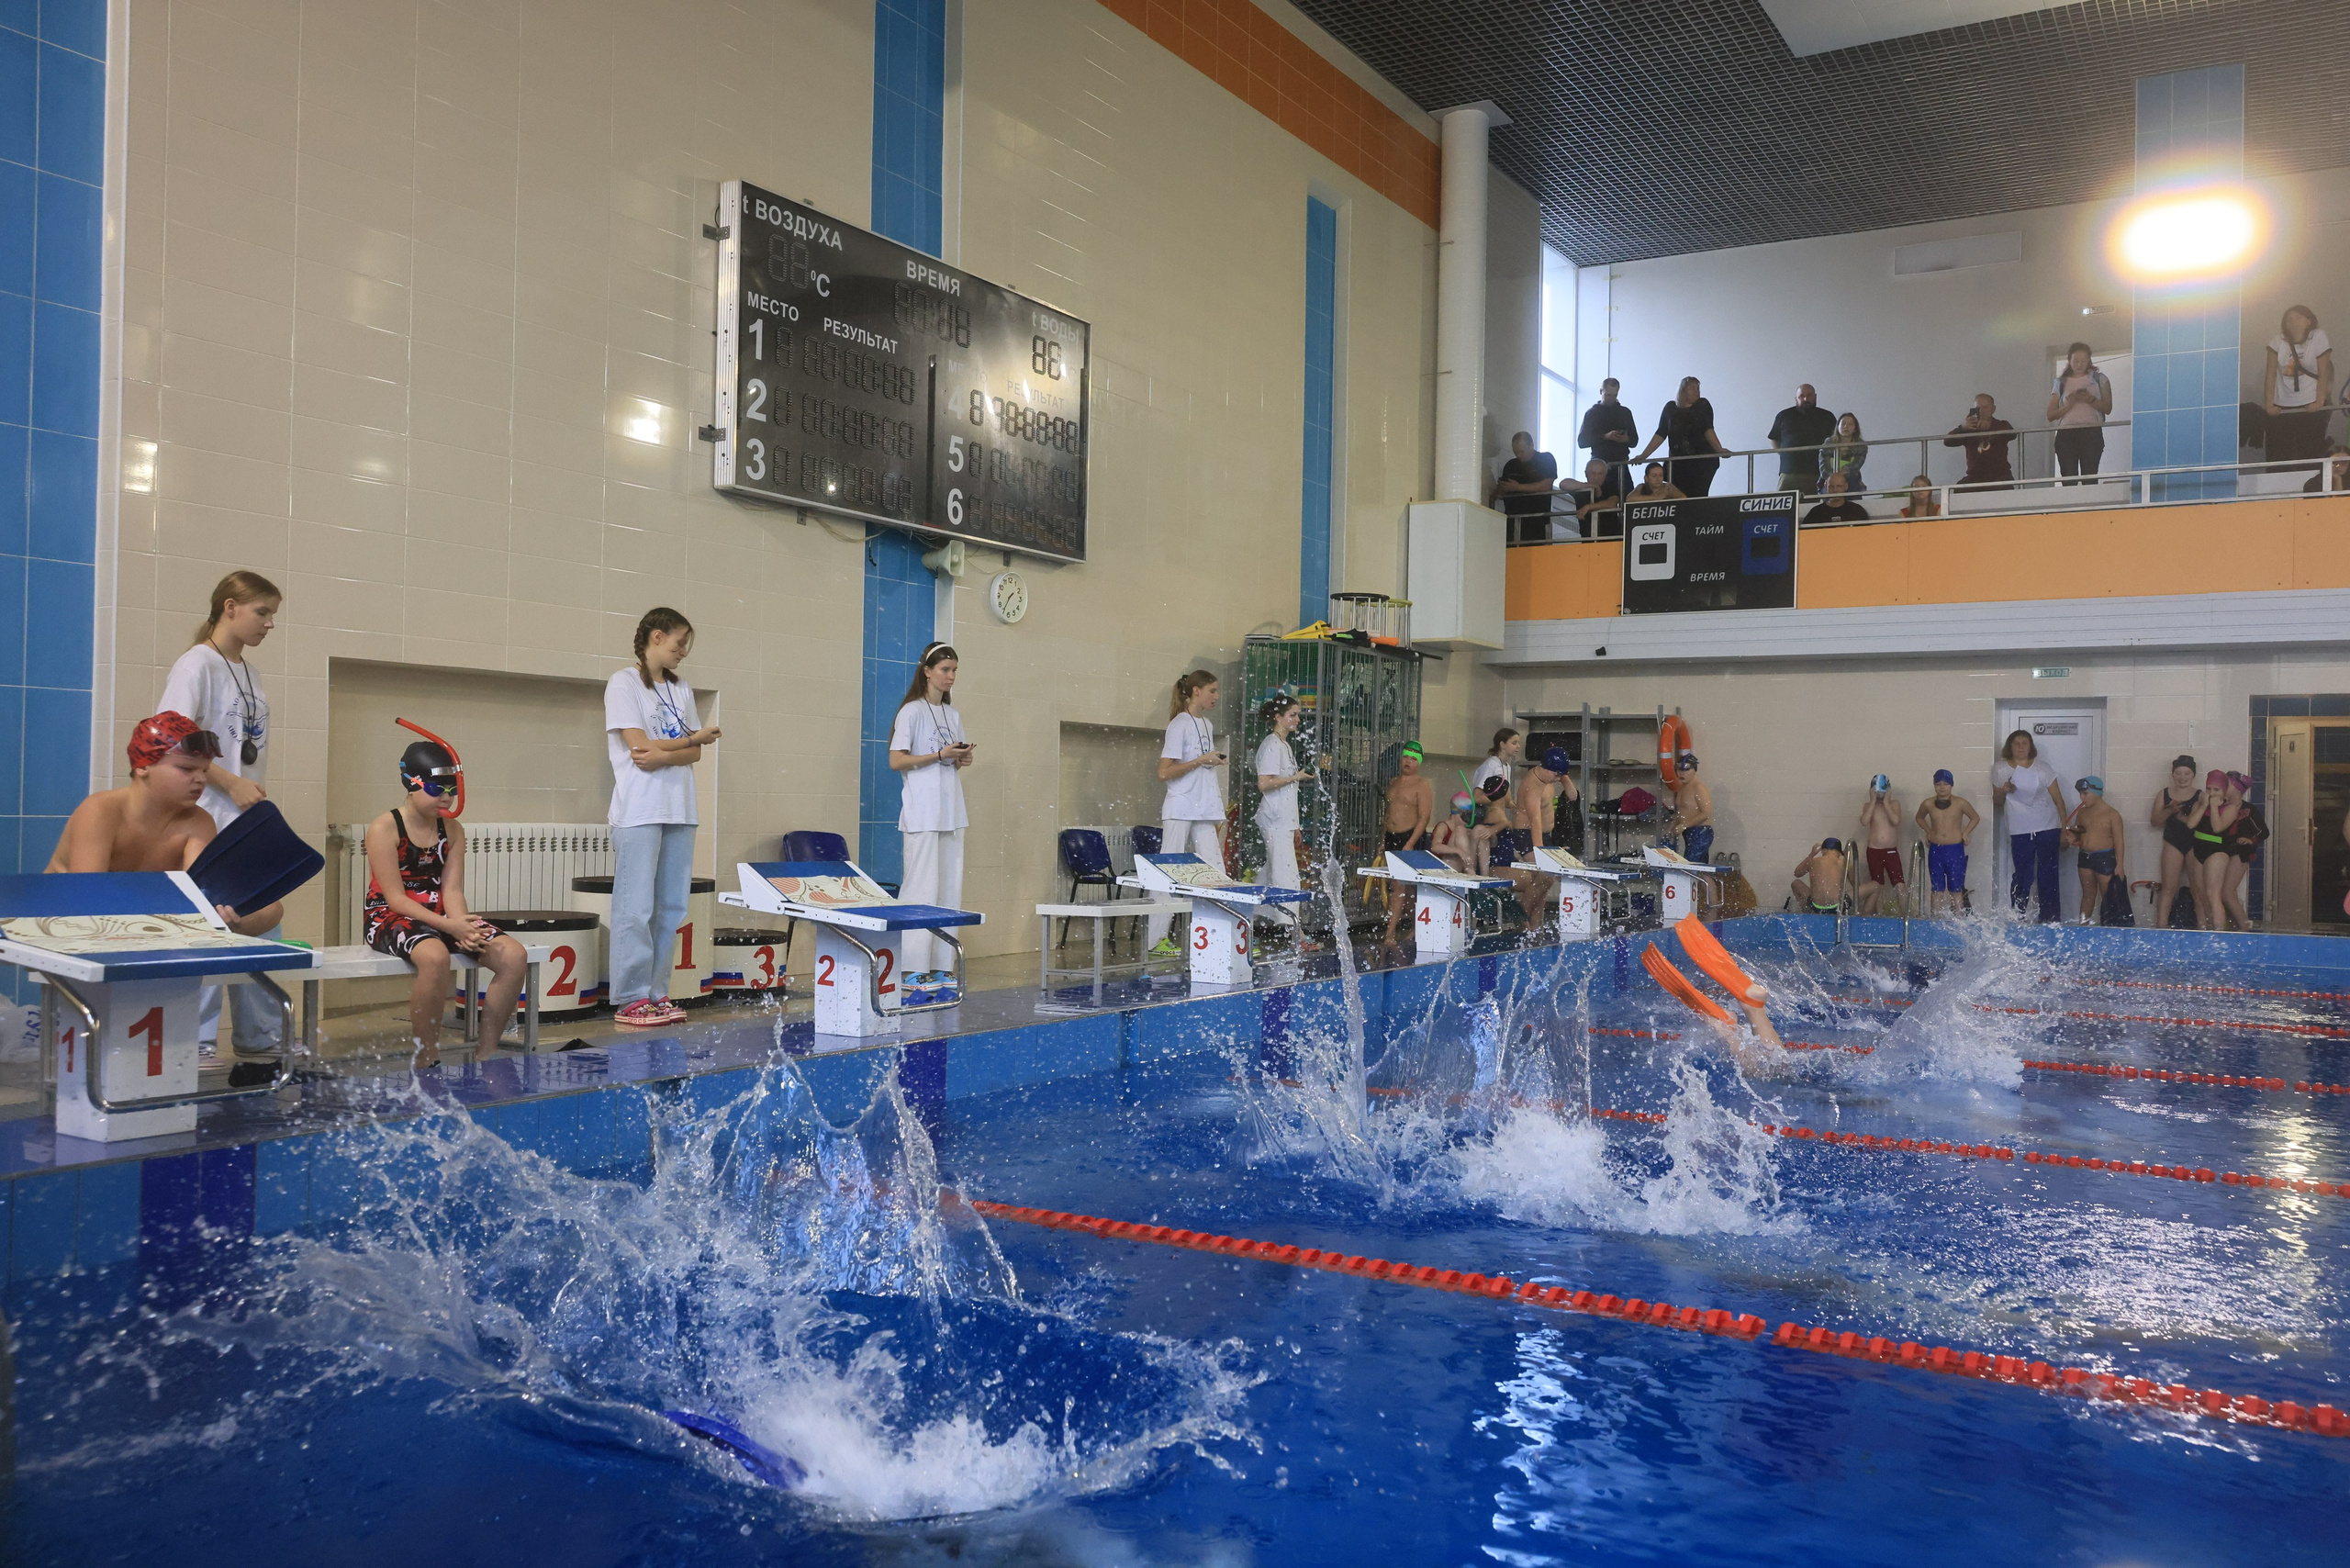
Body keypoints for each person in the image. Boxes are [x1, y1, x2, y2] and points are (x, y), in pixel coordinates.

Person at [161, 570, 285, 1069]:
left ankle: (259, 1047)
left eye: (273, 614)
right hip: (206, 821)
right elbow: (171, 740)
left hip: (243, 822)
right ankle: (196, 1049)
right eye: (263, 612)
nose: (270, 624)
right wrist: (230, 783)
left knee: (262, 926)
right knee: (212, 930)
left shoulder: (248, 673)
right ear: (230, 607)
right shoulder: (196, 665)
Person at [362, 739, 529, 1067]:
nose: (448, 797)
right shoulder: (385, 828)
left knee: (514, 956)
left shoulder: (453, 829)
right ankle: (427, 1057)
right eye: (439, 788)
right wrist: (450, 926)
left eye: (452, 789)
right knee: (435, 957)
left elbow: (451, 890)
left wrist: (463, 926)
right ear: (412, 784)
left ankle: (486, 1052)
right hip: (388, 916)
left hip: (440, 916)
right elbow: (395, 898)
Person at [49, 713, 285, 933]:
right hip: (66, 922)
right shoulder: (101, 811)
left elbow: (198, 895)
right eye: (186, 768)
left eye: (204, 770)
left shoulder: (198, 822)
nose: (201, 779)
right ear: (142, 766)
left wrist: (220, 916)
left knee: (271, 909)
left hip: (143, 924)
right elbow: (86, 898)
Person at [604, 607, 719, 1029]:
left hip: (680, 807)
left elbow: (693, 754)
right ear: (656, 637)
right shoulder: (623, 683)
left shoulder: (682, 688)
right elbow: (638, 748)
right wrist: (690, 739)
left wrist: (677, 747)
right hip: (639, 810)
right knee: (635, 906)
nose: (683, 651)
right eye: (678, 642)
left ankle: (657, 993)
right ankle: (631, 996)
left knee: (670, 907)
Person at [888, 642, 974, 987]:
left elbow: (951, 761)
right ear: (927, 671)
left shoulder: (953, 716)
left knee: (948, 890)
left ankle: (941, 964)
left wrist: (961, 758)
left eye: (954, 670)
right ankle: (910, 967)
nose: (951, 676)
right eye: (944, 670)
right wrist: (939, 754)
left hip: (951, 812)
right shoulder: (911, 711)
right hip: (922, 812)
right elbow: (897, 761)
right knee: (920, 890)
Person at [1147, 669, 1229, 954]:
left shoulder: (1205, 724)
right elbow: (1164, 773)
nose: (1217, 697)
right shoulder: (1179, 725)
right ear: (1196, 691)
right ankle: (1156, 941)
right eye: (1212, 691)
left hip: (1203, 809)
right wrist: (1200, 760)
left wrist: (1210, 761)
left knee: (1216, 873)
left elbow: (1198, 764)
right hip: (1181, 808)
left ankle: (1224, 935)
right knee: (1167, 873)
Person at [1991, 729, 2065, 922]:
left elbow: (2058, 800)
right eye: (2017, 743)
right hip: (2020, 829)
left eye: (2025, 743)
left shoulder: (2043, 768)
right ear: (2010, 747)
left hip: (2048, 826)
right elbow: (1997, 802)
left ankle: (2050, 918)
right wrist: (2004, 790)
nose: (2021, 747)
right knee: (2023, 874)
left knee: (2048, 873)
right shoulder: (2000, 769)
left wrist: (2064, 829)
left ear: (2031, 746)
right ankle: (2018, 915)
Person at [1252, 696, 1312, 928]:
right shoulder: (1271, 745)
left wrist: (1295, 824)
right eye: (1292, 715)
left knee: (1270, 873)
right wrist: (1295, 776)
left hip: (1284, 821)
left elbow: (1289, 791)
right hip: (1274, 820)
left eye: (1297, 714)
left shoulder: (1284, 745)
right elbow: (1264, 784)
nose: (1297, 719)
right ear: (1278, 717)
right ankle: (1293, 929)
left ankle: (1248, 917)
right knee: (1287, 874)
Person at [1378, 742, 1436, 942]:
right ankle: (1415, 927)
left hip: (1409, 837)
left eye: (1413, 758)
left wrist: (1411, 842)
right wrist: (1383, 839)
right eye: (1405, 757)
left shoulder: (1422, 785)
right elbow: (1388, 814)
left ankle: (1390, 934)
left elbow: (1424, 817)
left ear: (1418, 763)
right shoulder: (1393, 782)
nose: (1408, 762)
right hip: (1392, 838)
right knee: (1403, 888)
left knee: (1399, 886)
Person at [1508, 748, 1574, 922]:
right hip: (1526, 834)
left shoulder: (1549, 777)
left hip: (1544, 835)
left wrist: (1564, 777)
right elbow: (1535, 821)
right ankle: (1520, 918)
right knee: (1546, 875)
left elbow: (1573, 796)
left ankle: (1536, 926)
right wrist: (1541, 852)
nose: (1558, 779)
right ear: (1546, 768)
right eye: (1556, 775)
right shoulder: (1532, 786)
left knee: (1543, 883)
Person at [1633, 376, 1727, 497]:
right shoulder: (1670, 408)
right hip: (1678, 462)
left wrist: (1719, 449)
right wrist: (1643, 455)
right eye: (1692, 388)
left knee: (1697, 494)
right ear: (1682, 390)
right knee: (1677, 495)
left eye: (1698, 388)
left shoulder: (1702, 405)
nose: (1697, 391)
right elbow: (1661, 433)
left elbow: (1707, 428)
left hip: (1701, 461)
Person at [2265, 305, 2333, 465]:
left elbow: (2324, 372)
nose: (2293, 321)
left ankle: (2311, 486)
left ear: (2309, 321)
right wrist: (2269, 405)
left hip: (2309, 401)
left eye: (2298, 317)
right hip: (2282, 404)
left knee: (2310, 452)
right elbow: (2271, 374)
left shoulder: (2318, 336)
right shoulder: (2277, 341)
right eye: (2289, 318)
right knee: (2279, 454)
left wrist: (2319, 401)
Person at [1913, 768, 1979, 917]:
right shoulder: (1928, 803)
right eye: (1938, 784)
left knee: (1956, 889)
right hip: (1936, 850)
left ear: (1951, 785)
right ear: (1934, 786)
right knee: (1937, 888)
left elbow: (1975, 817)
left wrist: (1965, 833)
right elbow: (1919, 818)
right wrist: (1928, 831)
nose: (1942, 787)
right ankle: (1935, 919)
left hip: (1955, 850)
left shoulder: (1960, 803)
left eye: (1945, 784)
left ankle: (1959, 920)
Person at [2046, 342, 2113, 483]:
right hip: (2066, 433)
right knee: (2069, 478)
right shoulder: (2060, 382)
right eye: (2076, 360)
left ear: (2089, 360)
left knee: (2089, 476)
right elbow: (2051, 415)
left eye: (2083, 361)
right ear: (2069, 360)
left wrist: (2090, 399)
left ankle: (2090, 505)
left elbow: (2107, 408)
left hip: (2091, 432)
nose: (2079, 364)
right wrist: (2069, 404)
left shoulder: (2100, 379)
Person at [2063, 777, 2125, 926]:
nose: (2082, 798)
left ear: (2097, 793)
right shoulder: (2082, 813)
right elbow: (2079, 833)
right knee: (2088, 895)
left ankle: (2109, 928)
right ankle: (2083, 927)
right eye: (2080, 794)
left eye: (2085, 794)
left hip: (2104, 857)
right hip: (2085, 857)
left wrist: (2120, 865)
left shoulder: (2112, 814)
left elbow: (2119, 842)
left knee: (2107, 896)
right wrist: (2073, 838)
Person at [2149, 754, 2201, 929]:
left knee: (2198, 890)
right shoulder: (2164, 794)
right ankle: (2161, 927)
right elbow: (2155, 821)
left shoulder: (2201, 796)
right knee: (2168, 888)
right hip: (2173, 842)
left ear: (2193, 775)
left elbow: (2199, 824)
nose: (2182, 777)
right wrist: (2170, 810)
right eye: (2179, 773)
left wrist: (2179, 815)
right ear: (2173, 774)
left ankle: (2203, 928)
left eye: (2187, 773)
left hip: (2195, 844)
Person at [2178, 769, 2232, 930]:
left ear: (2224, 791)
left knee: (2212, 894)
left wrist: (2214, 808)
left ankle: (2219, 934)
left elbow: (2217, 828)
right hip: (2198, 848)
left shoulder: (2230, 808)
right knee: (2199, 894)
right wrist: (2203, 806)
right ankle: (2203, 930)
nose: (2211, 793)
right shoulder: (2199, 804)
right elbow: (2190, 824)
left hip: (2217, 851)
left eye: (2216, 790)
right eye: (2209, 789)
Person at [1491, 430, 1561, 545]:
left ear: (1532, 445)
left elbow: (1546, 486)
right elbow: (1500, 490)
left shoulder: (1545, 459)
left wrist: (1517, 487)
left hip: (1536, 522)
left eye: (1522, 451)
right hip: (1511, 522)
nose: (1519, 455)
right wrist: (1502, 489)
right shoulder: (1511, 465)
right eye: (1515, 452)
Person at [2216, 772, 2267, 931]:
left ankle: (2244, 927)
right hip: (2223, 851)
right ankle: (2232, 926)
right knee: (2220, 893)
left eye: (2228, 784)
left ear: (2238, 789)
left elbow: (2263, 831)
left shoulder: (2248, 809)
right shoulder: (2220, 806)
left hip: (2240, 853)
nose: (2224, 787)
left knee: (2227, 892)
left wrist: (2250, 840)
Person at [1766, 384, 1837, 498]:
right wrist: (1784, 454)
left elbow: (1836, 441)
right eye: (1801, 396)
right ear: (1796, 399)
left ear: (1815, 397)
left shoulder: (1827, 416)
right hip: (1789, 472)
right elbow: (1774, 438)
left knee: (1815, 509)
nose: (1806, 399)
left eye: (1809, 396)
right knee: (1783, 507)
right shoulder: (1784, 416)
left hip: (1818, 473)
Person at [1577, 377, 1639, 497]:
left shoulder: (1625, 413)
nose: (1611, 398)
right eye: (1608, 395)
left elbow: (1634, 441)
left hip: (1621, 464)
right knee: (1600, 499)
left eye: (1614, 395)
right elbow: (1582, 442)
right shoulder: (1592, 413)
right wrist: (1605, 437)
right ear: (1601, 392)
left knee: (1628, 499)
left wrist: (1625, 439)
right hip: (1599, 465)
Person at [1944, 395, 2017, 490]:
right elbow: (1948, 442)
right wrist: (1963, 428)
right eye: (1978, 408)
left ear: (1993, 409)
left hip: (1999, 476)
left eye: (1985, 407)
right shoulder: (1968, 429)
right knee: (1959, 490)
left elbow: (2012, 434)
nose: (1981, 411)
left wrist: (1991, 427)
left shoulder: (2001, 425)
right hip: (1975, 478)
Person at [1856, 775, 1903, 915]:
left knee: (1900, 884)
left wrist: (1887, 803)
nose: (1880, 794)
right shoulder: (1868, 806)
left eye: (1883, 791)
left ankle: (1906, 915)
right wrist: (1872, 802)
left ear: (1888, 791)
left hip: (1891, 851)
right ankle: (1879, 915)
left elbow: (1895, 821)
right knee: (1877, 885)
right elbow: (1864, 821)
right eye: (1876, 791)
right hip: (1874, 851)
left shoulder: (1894, 804)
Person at [1663, 750, 1711, 862]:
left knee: (1689, 866)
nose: (1681, 773)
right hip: (1688, 831)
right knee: (1701, 869)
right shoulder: (1680, 789)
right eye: (1679, 769)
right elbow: (1680, 812)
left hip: (1701, 831)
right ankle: (1706, 879)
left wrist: (1684, 825)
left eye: (1686, 769)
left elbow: (1706, 813)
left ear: (1694, 770)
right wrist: (1672, 827)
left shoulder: (1698, 788)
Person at [1571, 457, 1627, 539]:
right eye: (1593, 473)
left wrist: (1588, 507)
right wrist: (1589, 486)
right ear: (1586, 473)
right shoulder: (1580, 488)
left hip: (1612, 537)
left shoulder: (1610, 487)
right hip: (1587, 537)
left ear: (1605, 475)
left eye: (1600, 474)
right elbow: (1563, 484)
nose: (1596, 477)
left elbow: (1612, 503)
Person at [1471, 773, 1513, 875]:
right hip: (1498, 866)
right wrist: (1505, 824)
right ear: (1505, 793)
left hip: (1502, 864)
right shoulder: (1495, 814)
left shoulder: (1495, 811)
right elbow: (1488, 838)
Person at [1791, 838, 1846, 914]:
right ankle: (1864, 915)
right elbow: (1856, 884)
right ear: (1839, 853)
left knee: (1795, 883)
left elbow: (1797, 873)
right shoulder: (1844, 863)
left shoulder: (1813, 861)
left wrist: (1811, 855)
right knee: (1867, 887)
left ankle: (1806, 913)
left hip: (1816, 907)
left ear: (1823, 850)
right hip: (1837, 907)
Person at [1819, 411, 1868, 495]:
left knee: (1852, 489)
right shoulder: (1828, 443)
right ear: (1837, 427)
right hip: (1828, 479)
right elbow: (1823, 466)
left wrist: (1840, 476)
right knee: (1828, 491)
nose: (1846, 426)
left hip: (1850, 480)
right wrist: (1832, 478)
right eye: (1843, 424)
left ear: (1855, 429)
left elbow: (1855, 466)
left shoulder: (1861, 446)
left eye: (1850, 424)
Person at [1471, 727, 1522, 801]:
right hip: (1482, 811)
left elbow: (1506, 798)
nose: (1518, 746)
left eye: (1518, 743)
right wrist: (1499, 802)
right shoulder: (1491, 765)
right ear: (1502, 745)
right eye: (1514, 743)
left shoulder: (1507, 767)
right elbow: (1477, 797)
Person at [1430, 791, 1476, 873]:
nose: (1469, 819)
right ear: (1456, 812)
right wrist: (1459, 851)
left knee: (1477, 831)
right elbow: (1435, 847)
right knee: (1460, 830)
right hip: (1442, 867)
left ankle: (1481, 874)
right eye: (1466, 815)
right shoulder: (1443, 826)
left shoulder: (1465, 831)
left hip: (1460, 867)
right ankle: (1471, 872)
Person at [1800, 471, 1870, 524]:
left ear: (1846, 486)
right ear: (1826, 487)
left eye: (1839, 486)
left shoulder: (1857, 511)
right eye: (1831, 487)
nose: (1835, 490)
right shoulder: (1815, 513)